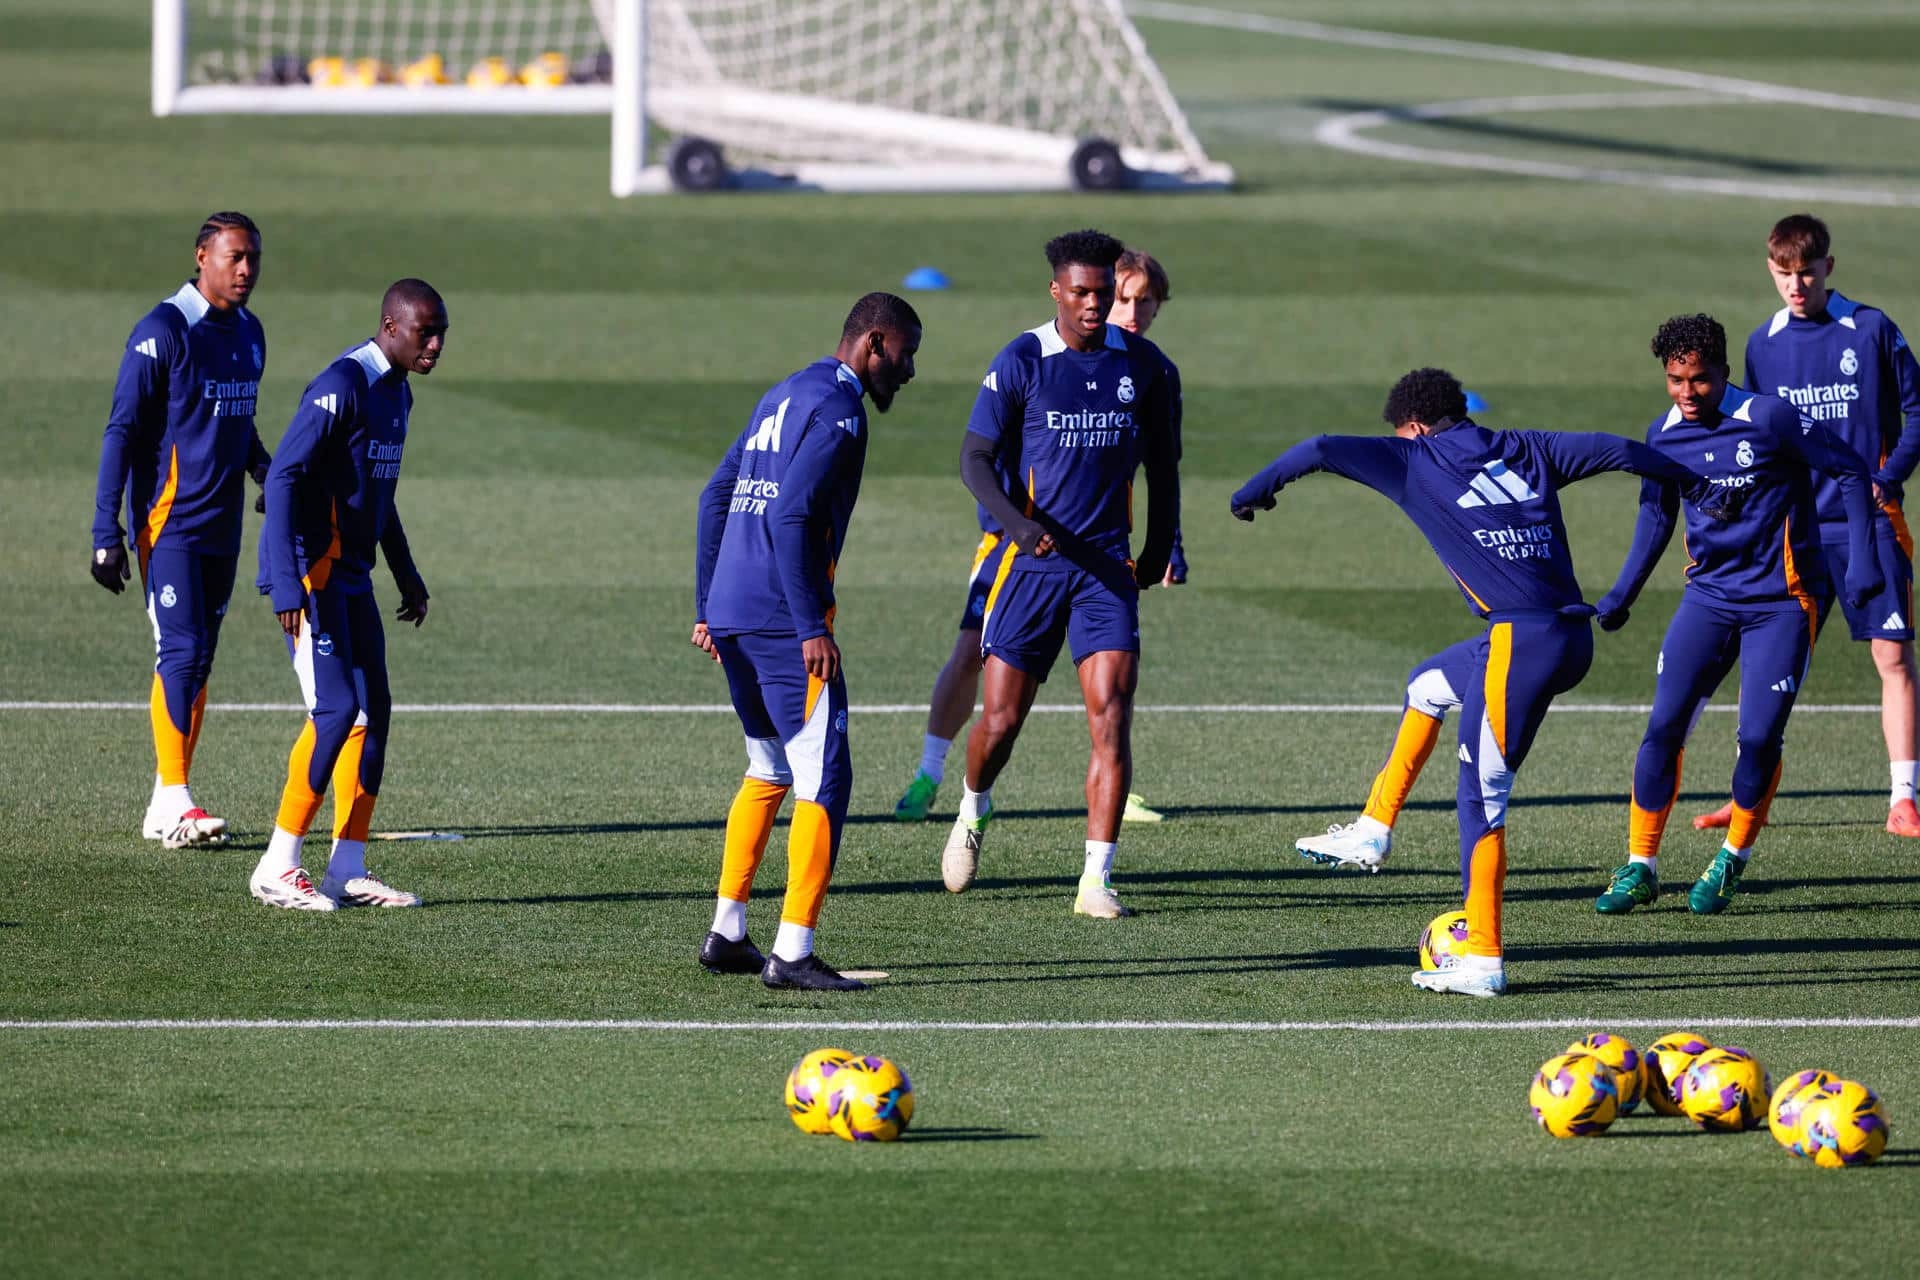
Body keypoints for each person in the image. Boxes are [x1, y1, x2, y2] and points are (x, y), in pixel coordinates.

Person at [1231, 367, 1732, 996]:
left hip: (1519, 646)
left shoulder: (1413, 460)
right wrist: (1698, 485)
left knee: (1481, 801)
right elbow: (1622, 449)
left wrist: (1252, 492)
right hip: (1568, 640)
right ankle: (1373, 829)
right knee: (1427, 686)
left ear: (1413, 426)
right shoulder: (1531, 447)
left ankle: (1485, 960)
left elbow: (1323, 448)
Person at [1593, 313, 1879, 917]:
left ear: (1724, 371)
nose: (1687, 393)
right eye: (1675, 380)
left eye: (1699, 379)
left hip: (1782, 603)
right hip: (1708, 599)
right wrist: (1624, 591)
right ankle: (1640, 865)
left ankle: (1732, 859)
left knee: (1756, 737)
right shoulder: (1663, 434)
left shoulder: (1769, 419)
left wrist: (1861, 563)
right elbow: (1656, 517)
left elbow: (1851, 469)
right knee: (1663, 727)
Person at [892, 245, 1183, 827]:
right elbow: (976, 455)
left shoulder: (1148, 367)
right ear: (1059, 292)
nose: (1115, 308)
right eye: (1107, 295)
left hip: (1101, 560)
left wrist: (1162, 545)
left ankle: (1101, 852)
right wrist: (1018, 526)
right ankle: (934, 773)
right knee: (974, 662)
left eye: (1134, 299)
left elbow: (1160, 467)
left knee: (1111, 707)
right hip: (1013, 550)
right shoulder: (1025, 358)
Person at [692, 292, 922, 991]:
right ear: (876, 342)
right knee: (826, 778)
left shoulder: (784, 392)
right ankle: (792, 952)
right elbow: (791, 516)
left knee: (768, 768)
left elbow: (716, 494)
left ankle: (728, 931)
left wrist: (709, 605)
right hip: (779, 622)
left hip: (735, 613)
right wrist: (811, 627)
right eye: (907, 352)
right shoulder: (842, 410)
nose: (909, 371)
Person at [1690, 214, 1920, 838]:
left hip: (1869, 523)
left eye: (1807, 274)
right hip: (1797, 532)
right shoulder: (1762, 344)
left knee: (1892, 655)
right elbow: (1760, 435)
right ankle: (1745, 801)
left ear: (1829, 269)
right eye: (1785, 275)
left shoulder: (1871, 329)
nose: (1796, 286)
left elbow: (1917, 407)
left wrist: (1888, 475)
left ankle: (1905, 798)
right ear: (1771, 270)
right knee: (1770, 664)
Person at [248, 280, 447, 911]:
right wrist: (285, 582)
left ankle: (346, 867)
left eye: (442, 332)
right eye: (426, 332)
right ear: (391, 326)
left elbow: (378, 498)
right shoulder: (342, 386)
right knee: (337, 711)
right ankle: (277, 865)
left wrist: (407, 573)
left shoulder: (398, 393)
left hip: (353, 577)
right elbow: (282, 477)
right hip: (312, 574)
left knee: (375, 711)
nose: (437, 344)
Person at [90, 212, 271, 849]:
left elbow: (236, 417)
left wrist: (263, 470)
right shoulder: (163, 330)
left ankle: (167, 803)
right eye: (233, 257)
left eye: (252, 257)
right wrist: (103, 529)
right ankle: (175, 798)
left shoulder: (250, 333)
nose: (245, 269)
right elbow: (122, 429)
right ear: (202, 256)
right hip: (169, 523)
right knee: (182, 651)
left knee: (199, 663)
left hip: (223, 526)